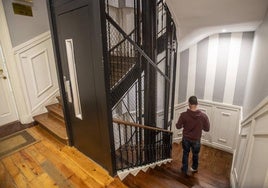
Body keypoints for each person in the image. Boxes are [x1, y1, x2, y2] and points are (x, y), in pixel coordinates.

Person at [176, 96, 210, 176]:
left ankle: (184, 168)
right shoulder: (203, 116)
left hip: (186, 139)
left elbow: (178, 126)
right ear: (197, 104)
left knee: (185, 153)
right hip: (196, 140)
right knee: (195, 154)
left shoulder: (183, 115)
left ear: (189, 104)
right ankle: (194, 168)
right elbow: (207, 129)